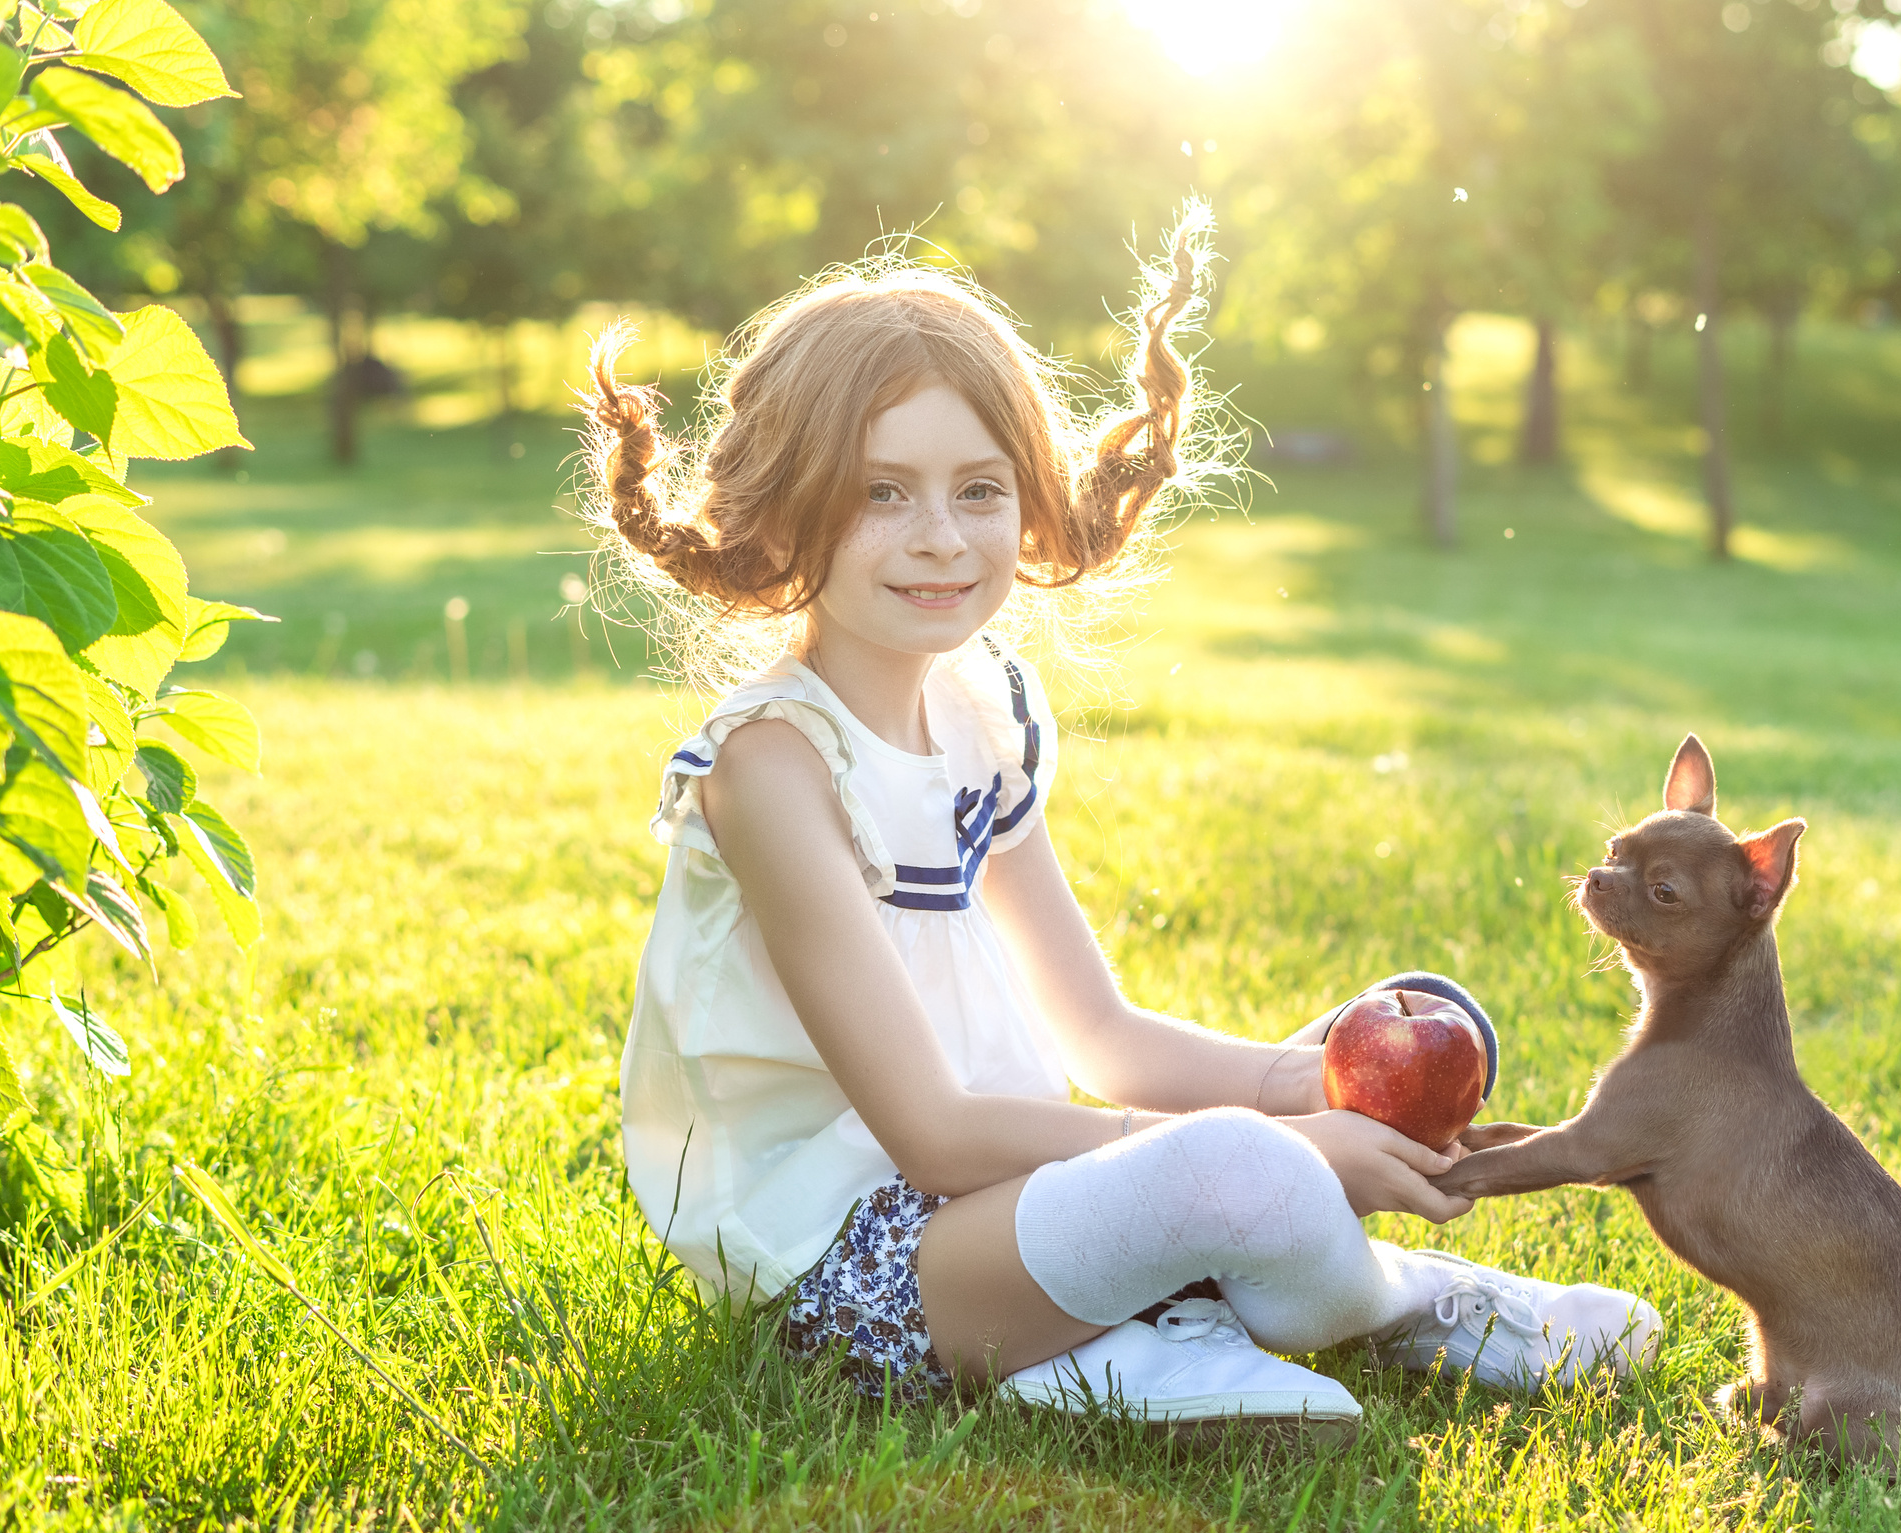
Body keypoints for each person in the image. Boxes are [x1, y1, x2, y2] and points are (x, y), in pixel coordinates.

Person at [582, 209, 1660, 1441]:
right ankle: (1396, 1304)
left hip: (1020, 1195)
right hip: (856, 1270)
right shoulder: (773, 765)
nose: (940, 535)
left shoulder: (983, 716)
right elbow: (930, 1138)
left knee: (1385, 1034)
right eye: (882, 493)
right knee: (1234, 1168)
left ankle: (1129, 1334)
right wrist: (1286, 1146)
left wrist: (1305, 1087)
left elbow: (1098, 1032)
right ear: (783, 509)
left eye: (978, 490)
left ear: (1028, 505)